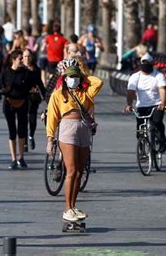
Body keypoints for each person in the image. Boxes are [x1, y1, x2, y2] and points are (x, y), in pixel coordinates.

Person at [46, 65, 103, 223]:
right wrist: (50, 139)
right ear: (64, 78)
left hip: (83, 128)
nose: (74, 79)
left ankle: (73, 205)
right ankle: (67, 208)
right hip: (67, 128)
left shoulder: (85, 93)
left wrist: (82, 74)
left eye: (76, 77)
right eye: (70, 77)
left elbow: (98, 82)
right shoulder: (58, 95)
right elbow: (52, 117)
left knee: (79, 171)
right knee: (71, 170)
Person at [0, 50, 36, 169]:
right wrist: (5, 90)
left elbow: (31, 85)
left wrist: (32, 90)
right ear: (14, 59)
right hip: (9, 103)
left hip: (22, 102)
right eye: (20, 59)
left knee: (22, 130)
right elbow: (0, 85)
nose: (22, 61)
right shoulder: (6, 72)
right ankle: (13, 159)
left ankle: (21, 158)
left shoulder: (26, 72)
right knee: (12, 131)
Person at [124, 53, 166, 153]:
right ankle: (142, 148)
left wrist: (163, 102)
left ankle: (161, 141)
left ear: (152, 64)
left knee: (156, 123)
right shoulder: (135, 77)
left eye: (147, 63)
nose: (145, 64)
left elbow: (162, 90)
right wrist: (129, 104)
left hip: (156, 105)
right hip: (142, 106)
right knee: (140, 129)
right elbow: (131, 92)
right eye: (143, 62)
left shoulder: (158, 75)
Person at [22, 49, 46, 151]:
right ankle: (25, 142)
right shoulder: (20, 69)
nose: (27, 58)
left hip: (33, 97)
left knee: (32, 119)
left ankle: (31, 135)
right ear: (22, 57)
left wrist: (45, 95)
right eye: (25, 56)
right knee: (23, 120)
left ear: (32, 57)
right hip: (22, 97)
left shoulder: (36, 69)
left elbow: (40, 83)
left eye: (29, 56)